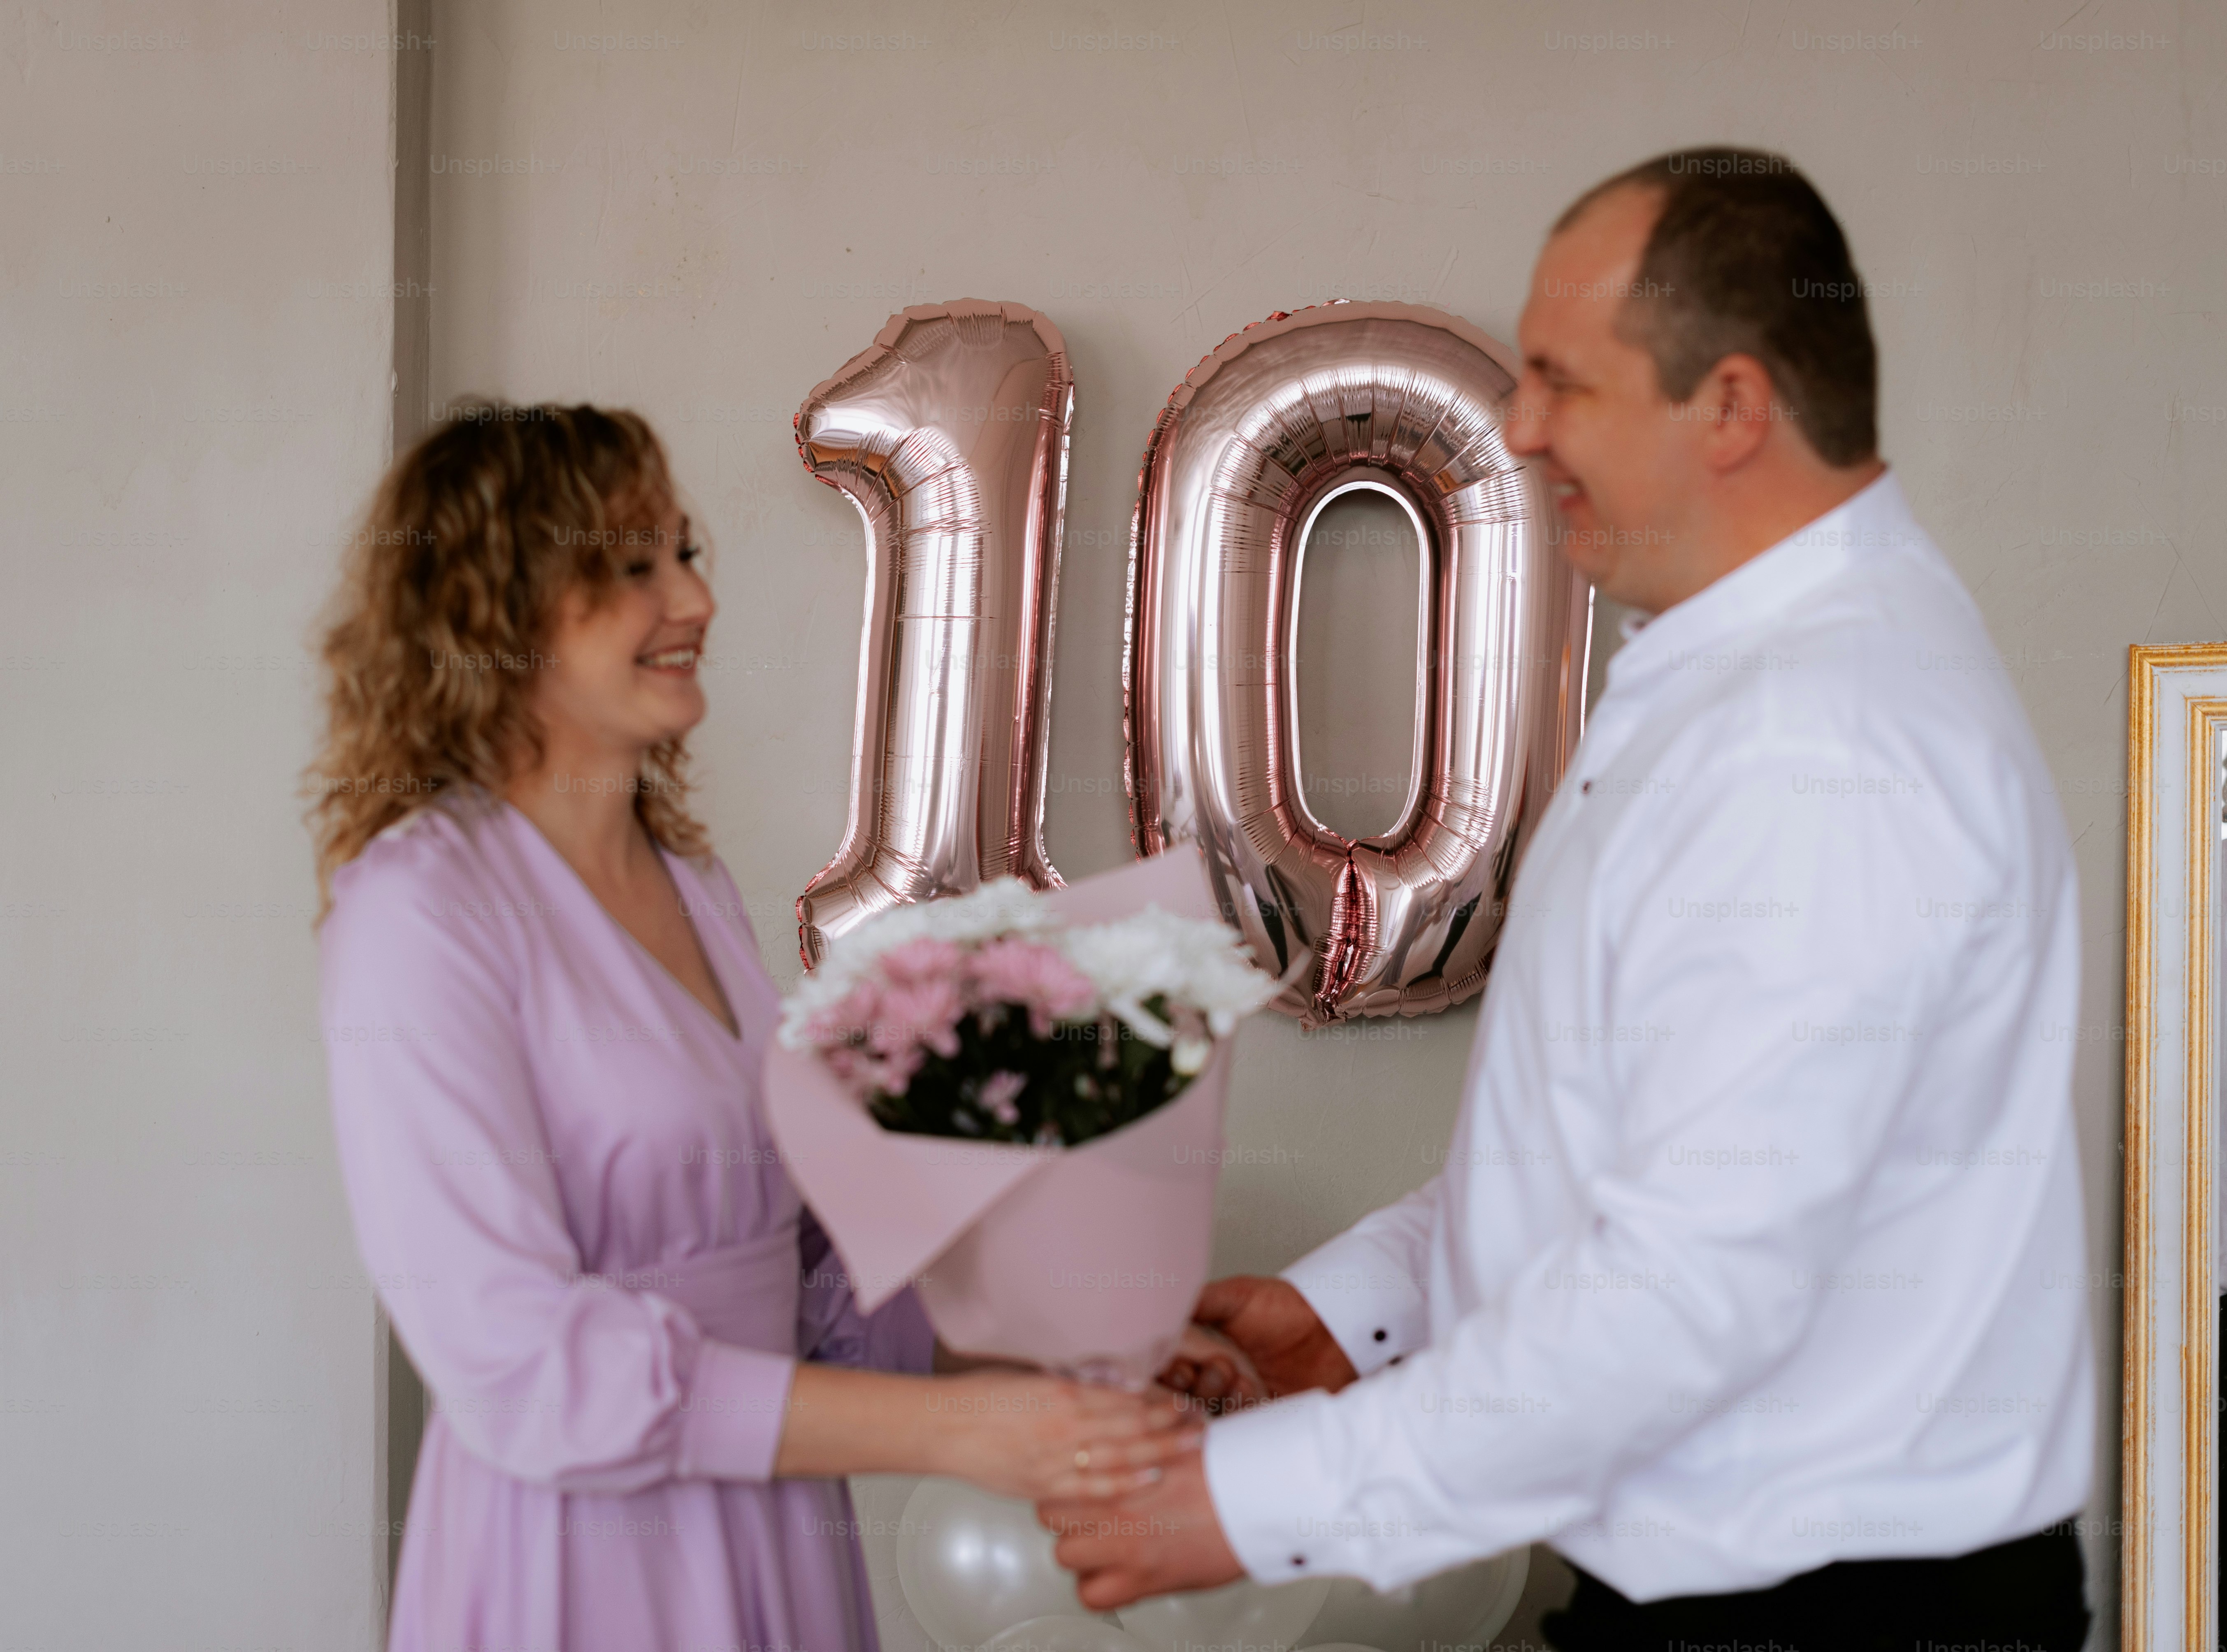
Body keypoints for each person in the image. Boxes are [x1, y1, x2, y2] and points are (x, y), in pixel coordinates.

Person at [1040, 148, 2096, 1651]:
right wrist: (1357, 1314)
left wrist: (1247, 1500)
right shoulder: (1734, 675)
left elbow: (1689, 1288)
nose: (1521, 432)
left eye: (1562, 382)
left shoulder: (1826, 738)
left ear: (1731, 406)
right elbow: (1654, 1148)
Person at [309, 404, 1194, 1652]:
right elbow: (516, 1363)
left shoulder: (697, 887)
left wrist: (1083, 1356)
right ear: (494, 611)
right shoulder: (419, 911)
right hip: (577, 1563)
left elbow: (809, 1283)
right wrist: (954, 1438)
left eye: (686, 554)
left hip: (773, 1542)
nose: (694, 602)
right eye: (631, 567)